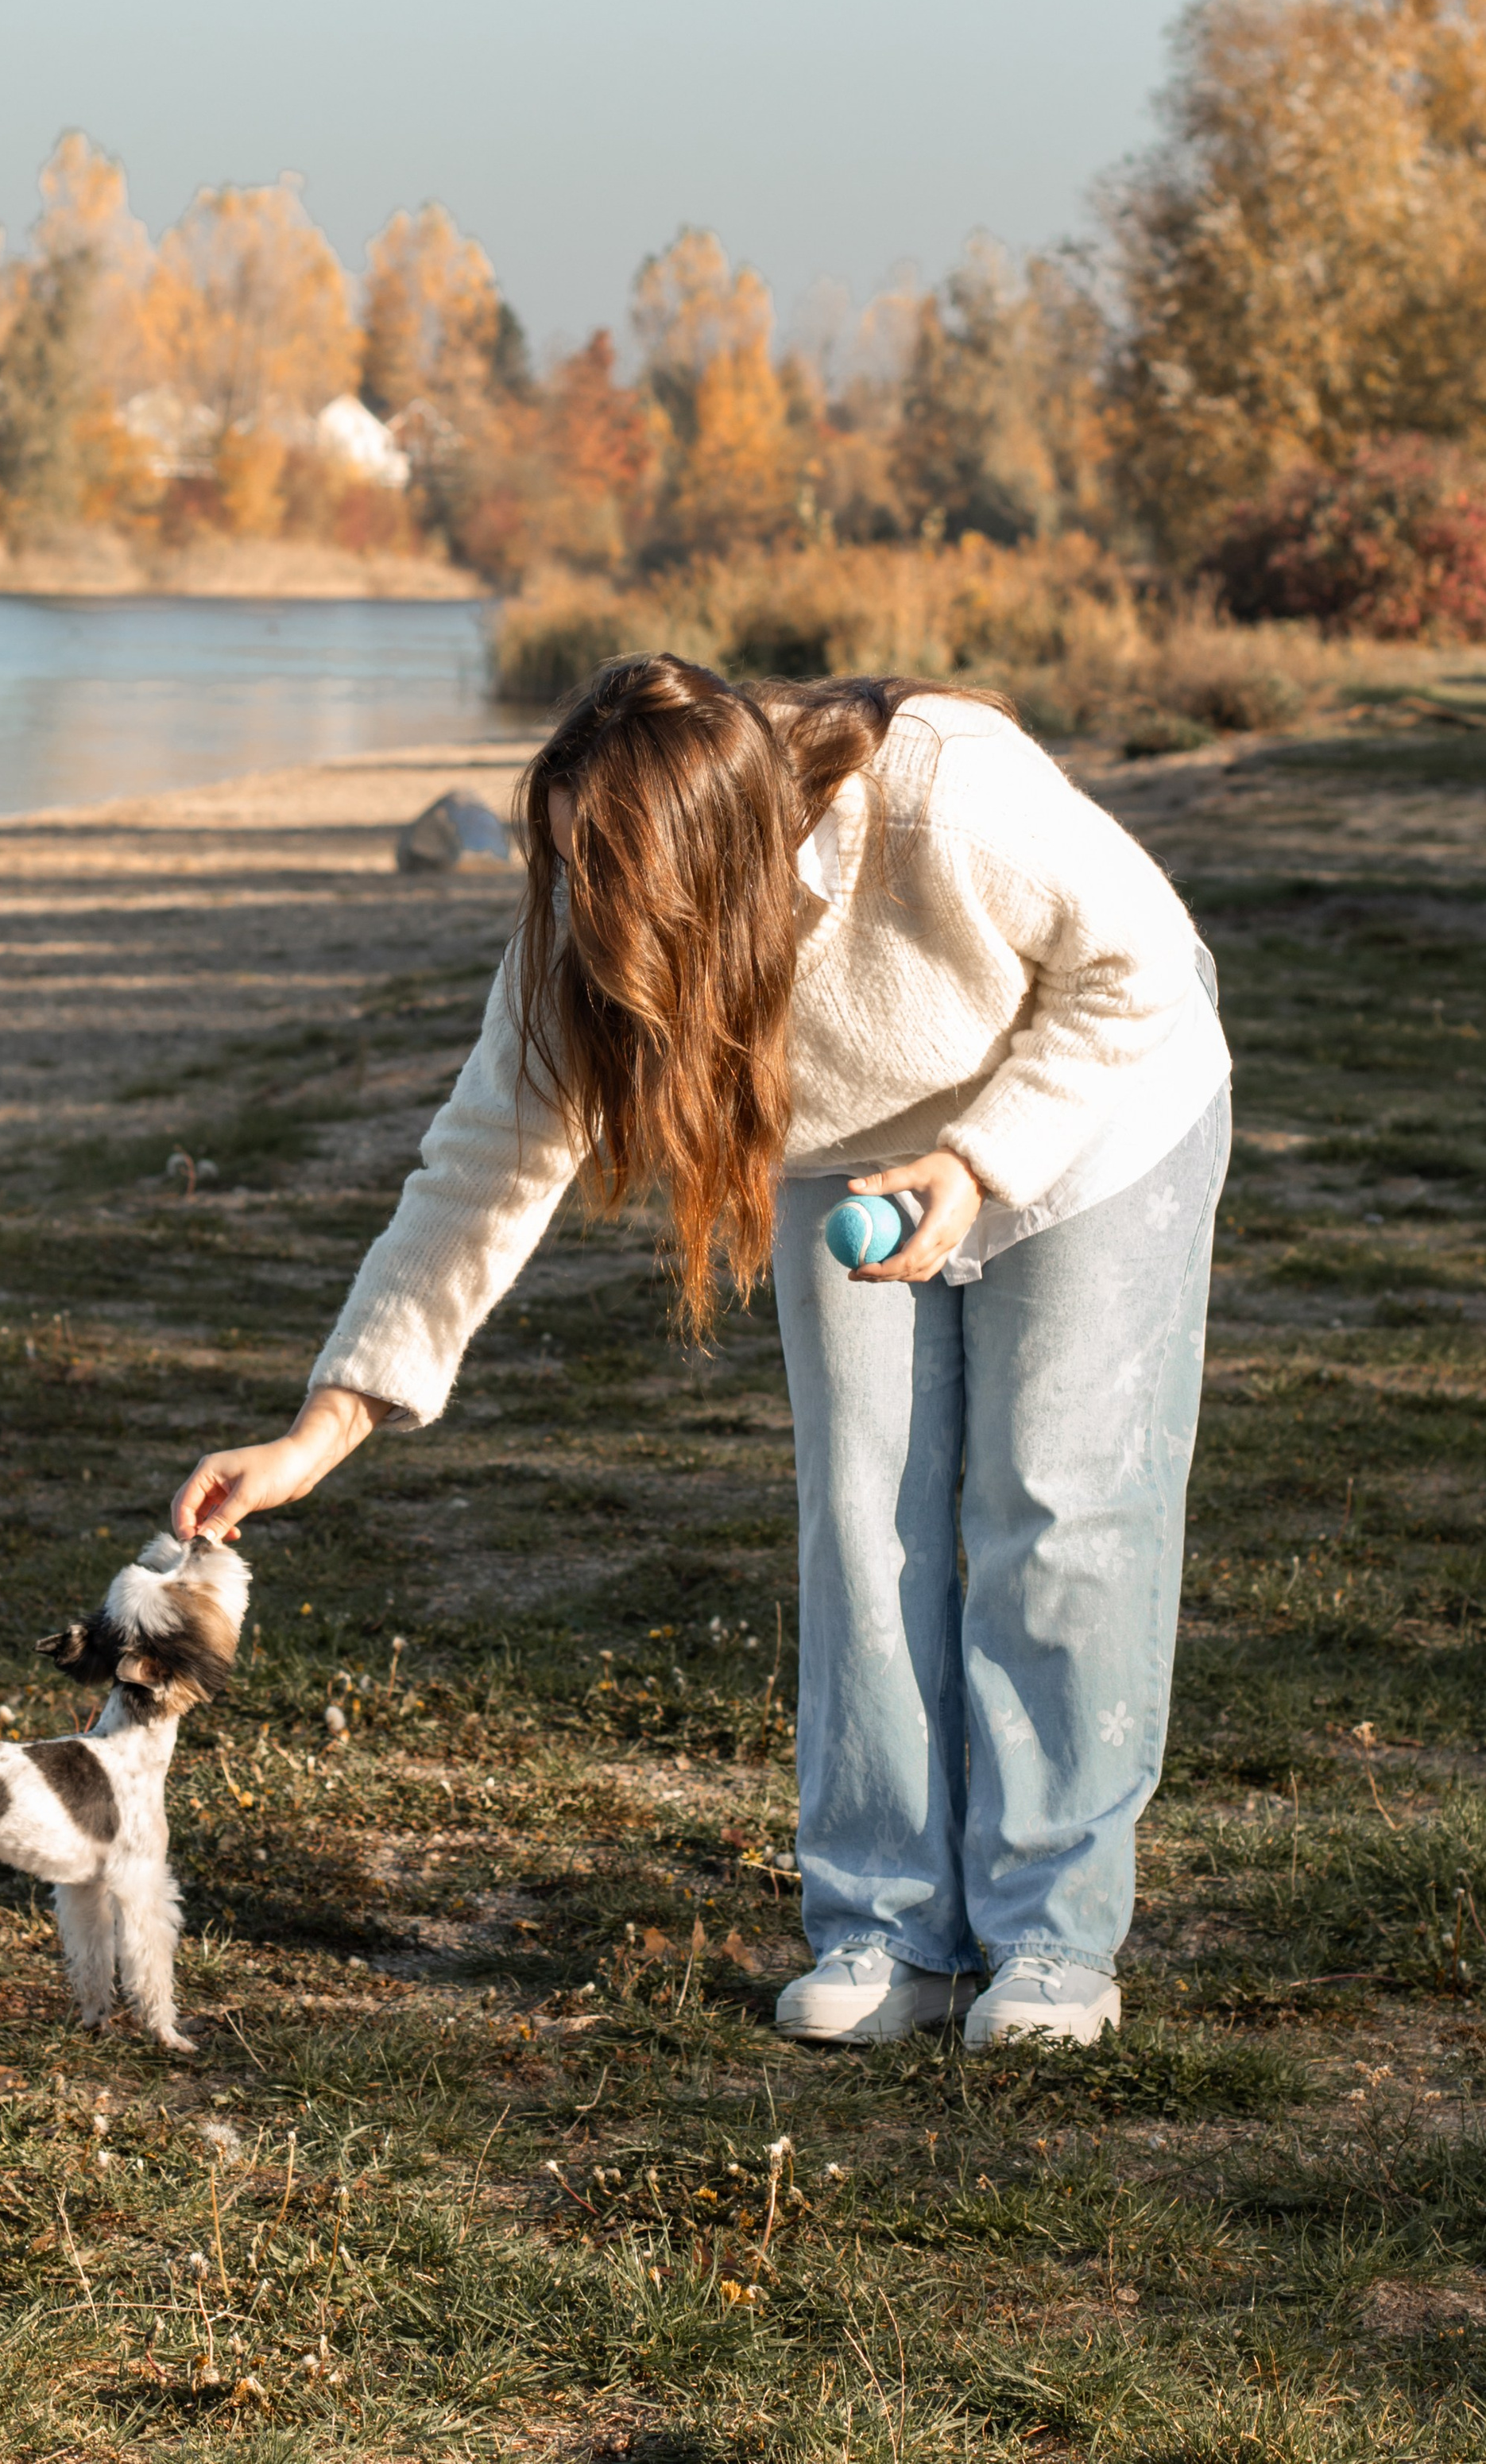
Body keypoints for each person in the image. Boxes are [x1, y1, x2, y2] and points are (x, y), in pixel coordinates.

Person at [171, 657, 1230, 2049]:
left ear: (731, 858)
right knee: (862, 1521)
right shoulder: (581, 921)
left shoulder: (946, 796)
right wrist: (325, 1422)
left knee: (1055, 1509)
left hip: (1097, 1109)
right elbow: (483, 1167)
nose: (579, 914)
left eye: (609, 880)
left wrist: (979, 1158)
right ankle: (885, 1930)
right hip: (852, 1152)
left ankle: (1051, 1941)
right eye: (561, 870)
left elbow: (1137, 963)